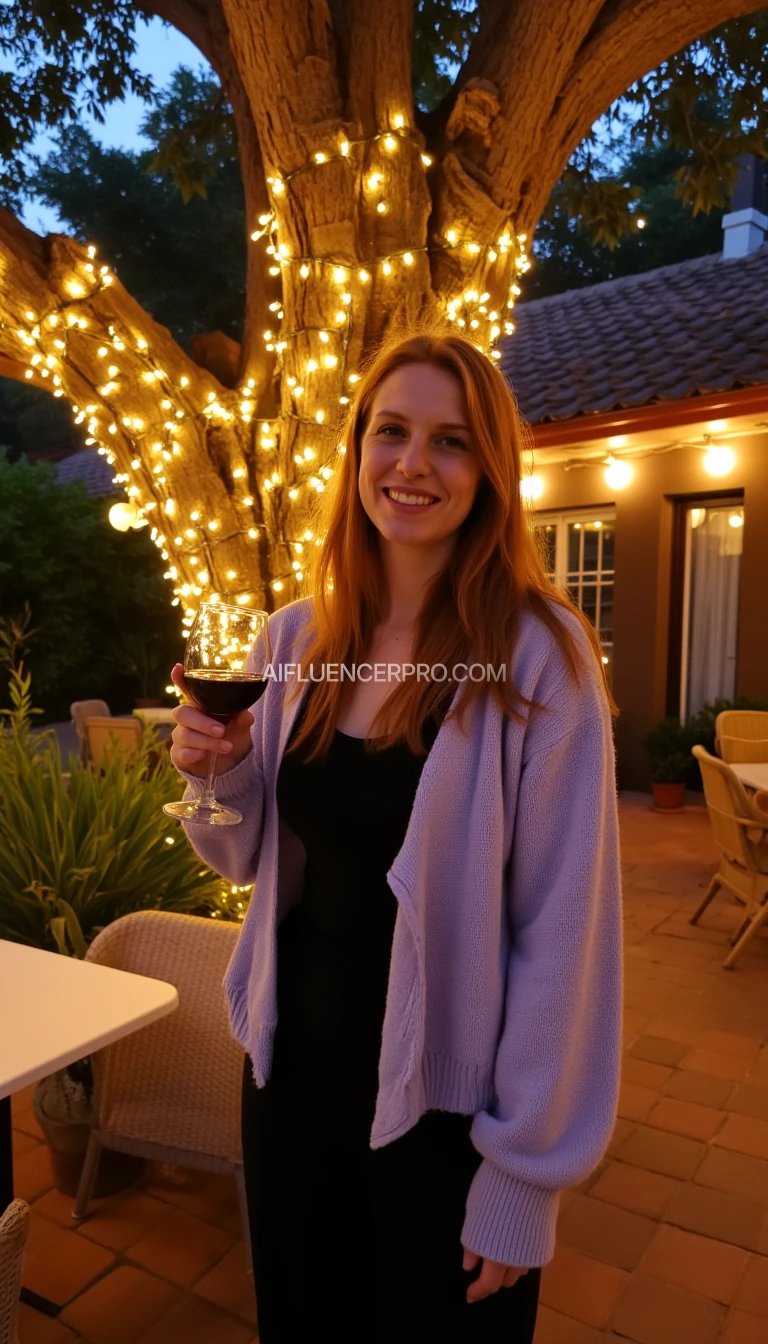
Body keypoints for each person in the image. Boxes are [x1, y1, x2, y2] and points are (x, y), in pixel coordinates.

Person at [169, 330, 623, 1344]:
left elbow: (565, 941)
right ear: (357, 454)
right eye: (392, 432)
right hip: (290, 1070)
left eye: (451, 441)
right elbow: (250, 857)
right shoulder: (298, 642)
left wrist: (525, 1178)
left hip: (448, 1102)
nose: (413, 464)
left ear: (492, 472)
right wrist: (216, 770)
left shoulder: (537, 658)